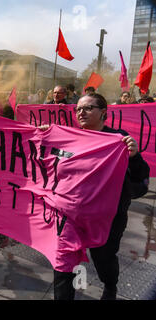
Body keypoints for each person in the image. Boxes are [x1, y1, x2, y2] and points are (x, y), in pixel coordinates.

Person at [43, 93, 149, 300]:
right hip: (70, 216)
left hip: (107, 218)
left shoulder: (119, 140)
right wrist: (44, 137)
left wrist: (134, 156)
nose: (81, 112)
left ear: (103, 113)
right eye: (78, 109)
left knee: (103, 259)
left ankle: (110, 286)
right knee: (63, 265)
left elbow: (141, 178)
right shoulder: (70, 138)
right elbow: (50, 159)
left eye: (88, 108)